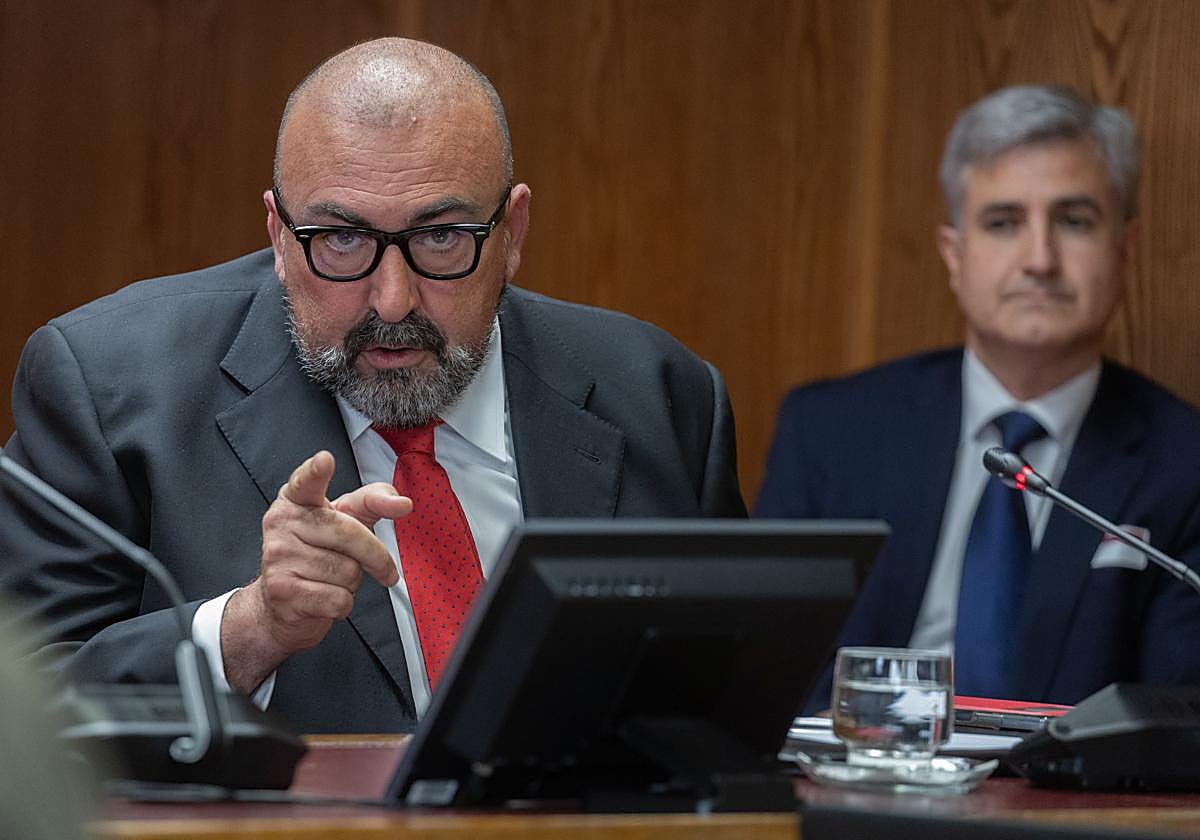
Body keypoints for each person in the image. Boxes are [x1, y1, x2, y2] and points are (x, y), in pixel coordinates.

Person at [0, 38, 745, 734]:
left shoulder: (660, 395)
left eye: (441, 237)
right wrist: (247, 629)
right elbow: (22, 709)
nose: (392, 301)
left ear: (512, 232)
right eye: (342, 239)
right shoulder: (110, 388)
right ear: (280, 238)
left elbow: (734, 695)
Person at [757, 84, 1200, 708]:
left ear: (1125, 252)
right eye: (1003, 222)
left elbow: (1173, 717)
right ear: (955, 256)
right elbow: (764, 676)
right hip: (853, 787)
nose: (1039, 259)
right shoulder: (830, 430)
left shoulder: (1184, 462)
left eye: (1074, 221)